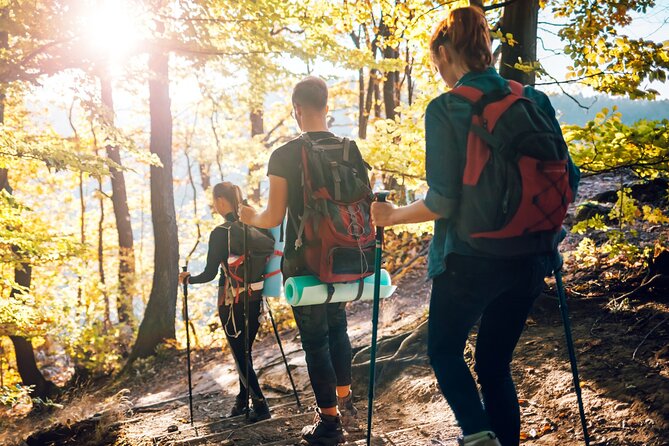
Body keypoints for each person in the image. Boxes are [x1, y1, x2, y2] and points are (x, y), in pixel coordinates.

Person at [370, 6, 580, 446]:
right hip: (533, 255)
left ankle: (479, 435)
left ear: (445, 54)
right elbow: (571, 177)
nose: (440, 74)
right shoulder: (532, 99)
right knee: (494, 363)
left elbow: (443, 202)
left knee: (444, 350)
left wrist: (392, 217)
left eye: (437, 64)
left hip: (470, 261)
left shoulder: (447, 108)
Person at [239, 76, 367, 445]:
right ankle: (346, 403)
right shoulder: (348, 148)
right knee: (338, 327)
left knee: (315, 341)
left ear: (296, 109)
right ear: (326, 106)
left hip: (305, 259)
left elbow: (274, 217)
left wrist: (249, 216)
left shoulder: (284, 154)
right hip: (345, 252)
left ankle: (329, 423)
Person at [179, 182, 273, 423]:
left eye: (215, 201)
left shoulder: (221, 233)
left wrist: (190, 279)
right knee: (246, 351)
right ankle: (242, 401)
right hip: (256, 297)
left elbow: (210, 273)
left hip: (230, 300)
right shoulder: (258, 224)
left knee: (240, 354)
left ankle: (260, 405)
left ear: (222, 201)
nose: (215, 205)